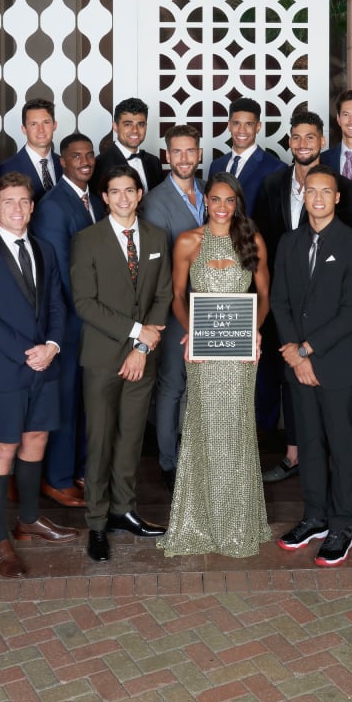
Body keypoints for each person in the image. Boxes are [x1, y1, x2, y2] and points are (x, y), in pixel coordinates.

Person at [0, 173, 78, 578]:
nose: (17, 209)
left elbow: (58, 308)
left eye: (23, 202)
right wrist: (26, 353)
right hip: (5, 369)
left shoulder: (44, 249)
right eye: (8, 202)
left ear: (31, 206)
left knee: (37, 439)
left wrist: (53, 347)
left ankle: (28, 521)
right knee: (3, 448)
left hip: (46, 365)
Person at [158, 173, 271, 558]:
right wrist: (191, 333)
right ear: (205, 200)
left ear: (237, 203)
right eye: (216, 200)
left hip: (239, 353)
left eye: (229, 200)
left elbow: (264, 296)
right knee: (203, 425)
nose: (222, 207)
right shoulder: (189, 241)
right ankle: (200, 518)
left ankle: (239, 520)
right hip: (204, 352)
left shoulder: (251, 240)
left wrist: (254, 332)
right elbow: (176, 297)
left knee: (237, 429)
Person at [270, 165, 352, 567]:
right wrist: (294, 354)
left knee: (341, 446)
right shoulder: (289, 243)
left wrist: (307, 350)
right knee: (309, 444)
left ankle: (341, 524)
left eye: (324, 191)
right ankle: (314, 517)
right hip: (298, 365)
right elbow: (279, 302)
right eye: (309, 190)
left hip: (338, 365)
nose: (316, 197)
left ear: (336, 198)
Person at [70, 165, 173, 562]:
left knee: (131, 438)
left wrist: (143, 348)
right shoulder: (87, 240)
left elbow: (163, 295)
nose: (124, 198)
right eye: (116, 192)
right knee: (99, 440)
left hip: (143, 357)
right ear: (105, 197)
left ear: (139, 194)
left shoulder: (156, 237)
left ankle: (123, 510)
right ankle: (96, 522)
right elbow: (84, 303)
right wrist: (136, 332)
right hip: (102, 357)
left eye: (130, 190)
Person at [254, 110, 352, 482]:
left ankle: (328, 455)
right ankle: (294, 454)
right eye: (296, 137)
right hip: (288, 301)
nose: (302, 144)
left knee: (327, 379)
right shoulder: (272, 183)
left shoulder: (337, 183)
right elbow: (264, 238)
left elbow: (351, 239)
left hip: (330, 303)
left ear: (322, 141)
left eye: (309, 137)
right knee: (290, 378)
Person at [30, 133, 107, 507]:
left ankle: (78, 471)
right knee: (64, 400)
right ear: (62, 162)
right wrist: (86, 314)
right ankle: (57, 478)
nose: (85, 161)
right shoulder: (52, 206)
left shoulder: (94, 199)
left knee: (85, 401)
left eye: (89, 154)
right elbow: (58, 271)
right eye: (76, 155)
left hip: (94, 322)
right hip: (70, 321)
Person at [141, 125, 206, 492]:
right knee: (172, 385)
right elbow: (159, 264)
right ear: (167, 156)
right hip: (175, 306)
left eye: (190, 151)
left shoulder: (212, 193)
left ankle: (199, 457)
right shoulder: (155, 200)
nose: (183, 158)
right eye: (176, 152)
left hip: (215, 306)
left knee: (203, 386)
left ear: (199, 153)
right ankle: (168, 462)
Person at [207, 97, 284, 215]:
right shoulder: (216, 165)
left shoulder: (275, 168)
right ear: (229, 125)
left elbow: (275, 218)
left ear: (258, 127)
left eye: (248, 124)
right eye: (236, 123)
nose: (241, 130)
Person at [0, 97, 64, 200]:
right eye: (33, 124)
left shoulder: (65, 165)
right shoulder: (5, 169)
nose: (41, 130)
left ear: (54, 125)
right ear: (24, 129)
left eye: (46, 122)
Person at [92, 97, 165, 192]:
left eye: (140, 124)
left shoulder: (154, 162)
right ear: (115, 126)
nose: (135, 130)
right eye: (128, 124)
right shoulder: (100, 164)